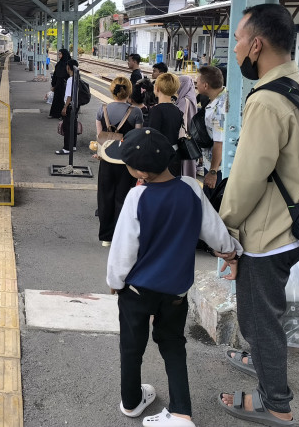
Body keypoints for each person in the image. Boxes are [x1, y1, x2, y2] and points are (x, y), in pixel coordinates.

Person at [105, 128, 242, 427]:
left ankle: (131, 402)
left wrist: (115, 281)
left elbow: (123, 250)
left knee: (132, 345)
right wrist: (231, 253)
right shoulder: (192, 189)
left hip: (137, 291)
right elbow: (215, 231)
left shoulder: (136, 197)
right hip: (176, 292)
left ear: (141, 171)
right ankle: (181, 411)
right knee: (172, 344)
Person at [217, 4, 299, 426]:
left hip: (269, 230)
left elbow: (248, 177)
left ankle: (276, 402)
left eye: (238, 39)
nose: (235, 49)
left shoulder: (266, 101)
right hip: (296, 220)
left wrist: (224, 229)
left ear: (256, 44)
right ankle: (259, 359)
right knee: (263, 311)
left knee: (259, 316)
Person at [95, 76, 143, 246]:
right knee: (123, 198)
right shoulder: (136, 112)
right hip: (126, 161)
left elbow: (99, 137)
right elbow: (137, 139)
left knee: (105, 197)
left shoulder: (103, 110)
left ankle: (106, 238)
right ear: (129, 91)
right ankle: (120, 236)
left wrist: (100, 153)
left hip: (106, 160)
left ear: (112, 90)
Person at [195, 65, 227, 199]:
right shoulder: (222, 97)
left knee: (213, 203)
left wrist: (213, 172)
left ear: (206, 85)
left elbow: (219, 142)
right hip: (215, 163)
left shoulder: (218, 110)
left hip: (218, 168)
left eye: (198, 82)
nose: (196, 84)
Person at [147, 73, 184, 177]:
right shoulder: (177, 110)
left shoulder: (156, 110)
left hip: (160, 157)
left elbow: (152, 137)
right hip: (175, 155)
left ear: (157, 88)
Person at [174, 76, 198, 179]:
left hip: (183, 138)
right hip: (190, 137)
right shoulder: (192, 98)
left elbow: (179, 119)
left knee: (183, 166)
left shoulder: (184, 101)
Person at [55, 59, 81, 155]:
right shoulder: (78, 77)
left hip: (70, 105)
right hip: (76, 105)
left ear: (69, 67)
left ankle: (67, 148)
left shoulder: (71, 80)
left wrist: (65, 107)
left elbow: (69, 95)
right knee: (73, 125)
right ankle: (73, 145)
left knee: (67, 127)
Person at [49, 48, 71, 118]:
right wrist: (53, 85)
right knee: (56, 99)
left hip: (65, 84)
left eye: (60, 54)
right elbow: (55, 75)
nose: (59, 55)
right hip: (58, 84)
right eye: (59, 54)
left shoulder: (68, 64)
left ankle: (63, 115)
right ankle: (54, 114)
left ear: (64, 54)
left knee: (63, 100)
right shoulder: (59, 64)